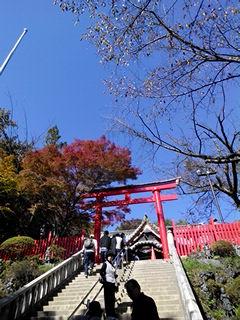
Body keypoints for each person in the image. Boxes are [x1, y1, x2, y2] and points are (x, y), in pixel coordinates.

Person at [100, 252, 118, 320]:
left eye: (111, 256)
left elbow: (113, 273)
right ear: (107, 257)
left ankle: (112, 313)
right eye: (109, 256)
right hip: (107, 283)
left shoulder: (111, 264)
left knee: (112, 299)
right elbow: (101, 272)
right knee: (108, 299)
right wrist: (105, 280)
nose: (110, 257)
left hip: (112, 283)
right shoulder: (105, 263)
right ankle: (109, 314)